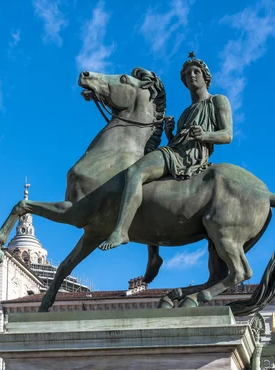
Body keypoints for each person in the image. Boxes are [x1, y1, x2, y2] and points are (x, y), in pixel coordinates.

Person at [99, 53, 234, 250]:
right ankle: (153, 255)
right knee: (149, 193)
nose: (192, 76)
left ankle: (120, 231)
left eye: (196, 72)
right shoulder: (186, 113)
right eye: (187, 74)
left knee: (135, 172)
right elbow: (179, 142)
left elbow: (227, 135)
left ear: (206, 77)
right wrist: (171, 134)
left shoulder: (217, 100)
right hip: (175, 151)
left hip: (188, 157)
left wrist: (205, 135)